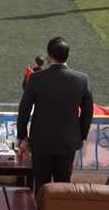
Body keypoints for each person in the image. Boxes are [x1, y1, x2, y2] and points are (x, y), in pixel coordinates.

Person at [17, 37, 93, 195]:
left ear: (49, 55)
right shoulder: (81, 79)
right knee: (63, 188)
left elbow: (24, 109)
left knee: (41, 187)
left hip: (41, 142)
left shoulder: (37, 78)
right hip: (68, 142)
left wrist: (22, 136)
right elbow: (87, 112)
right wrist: (82, 136)